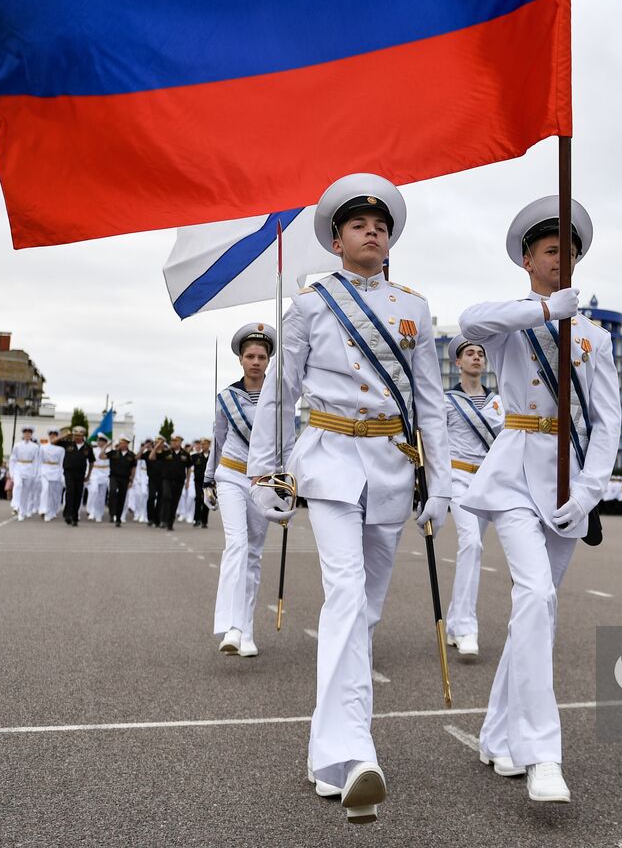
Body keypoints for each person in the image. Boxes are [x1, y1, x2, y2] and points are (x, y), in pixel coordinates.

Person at [248, 173, 451, 825]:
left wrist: (441, 482)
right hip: (331, 462)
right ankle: (357, 748)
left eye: (382, 224)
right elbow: (280, 392)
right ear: (336, 239)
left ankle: (324, 754)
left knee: (363, 611)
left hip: (392, 468)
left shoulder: (414, 310)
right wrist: (264, 473)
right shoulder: (310, 305)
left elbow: (432, 405)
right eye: (360, 224)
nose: (374, 231)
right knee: (343, 594)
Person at [458, 195, 620, 805]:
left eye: (570, 252)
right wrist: (543, 309)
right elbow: (471, 321)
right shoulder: (512, 322)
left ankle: (496, 732)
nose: (563, 260)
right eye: (552, 251)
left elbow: (607, 421)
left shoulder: (595, 339)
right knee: (536, 594)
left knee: (540, 612)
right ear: (528, 260)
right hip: (515, 470)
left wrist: (589, 490)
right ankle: (542, 752)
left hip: (567, 480)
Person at [207, 322, 276, 659]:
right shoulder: (227, 399)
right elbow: (217, 442)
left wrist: (286, 484)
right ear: (240, 359)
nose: (255, 361)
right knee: (236, 545)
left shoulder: (279, 398)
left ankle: (246, 630)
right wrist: (209, 479)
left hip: (261, 482)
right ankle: (231, 627)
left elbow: (283, 444)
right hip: (231, 475)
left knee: (253, 556)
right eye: (249, 355)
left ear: (269, 360)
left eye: (261, 356)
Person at [443, 339, 505, 659]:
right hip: (457, 478)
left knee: (471, 551)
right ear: (458, 362)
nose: (477, 358)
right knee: (472, 544)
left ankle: (454, 624)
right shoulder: (448, 402)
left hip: (486, 482)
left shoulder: (499, 404)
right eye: (470, 353)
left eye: (480, 354)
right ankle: (467, 627)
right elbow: (436, 446)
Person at [154, 435, 191, 531]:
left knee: (174, 502)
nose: (173, 443)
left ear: (180, 442)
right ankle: (163, 520)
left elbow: (189, 467)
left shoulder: (185, 454)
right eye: (172, 441)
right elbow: (153, 457)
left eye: (176, 441)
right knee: (167, 496)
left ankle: (170, 523)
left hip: (179, 481)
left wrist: (188, 481)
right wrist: (158, 445)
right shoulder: (166, 453)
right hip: (167, 480)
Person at [60, 426, 94, 526]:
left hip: (80, 473)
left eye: (79, 435)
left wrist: (88, 474)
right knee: (70, 492)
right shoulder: (68, 444)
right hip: (68, 472)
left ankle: (75, 517)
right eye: (76, 435)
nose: (77, 437)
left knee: (78, 495)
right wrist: (65, 435)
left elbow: (91, 461)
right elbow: (53, 442)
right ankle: (68, 514)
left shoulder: (88, 447)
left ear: (83, 436)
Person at [105, 436, 136, 528]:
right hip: (114, 476)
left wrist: (131, 480)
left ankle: (118, 518)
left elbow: (133, 468)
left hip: (125, 478)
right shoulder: (114, 453)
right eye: (121, 443)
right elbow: (101, 456)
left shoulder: (131, 455)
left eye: (125, 443)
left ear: (127, 444)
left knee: (122, 498)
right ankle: (112, 513)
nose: (123, 445)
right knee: (112, 492)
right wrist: (107, 446)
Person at [9, 426, 39, 520]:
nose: (27, 434)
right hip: (19, 467)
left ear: (31, 435)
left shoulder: (35, 447)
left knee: (25, 493)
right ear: (23, 434)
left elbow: (36, 461)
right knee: (17, 485)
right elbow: (12, 459)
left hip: (29, 469)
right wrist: (12, 473)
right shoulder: (17, 445)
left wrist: (35, 474)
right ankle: (15, 505)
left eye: (29, 433)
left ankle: (22, 512)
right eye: (25, 433)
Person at [36, 430, 65, 521]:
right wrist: (38, 473)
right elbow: (39, 461)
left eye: (55, 435)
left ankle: (51, 512)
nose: (53, 436)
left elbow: (61, 463)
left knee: (53, 493)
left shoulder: (61, 449)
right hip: (45, 470)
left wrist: (62, 475)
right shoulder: (43, 447)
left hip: (55, 471)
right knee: (45, 489)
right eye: (51, 435)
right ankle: (43, 510)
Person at [86, 435, 110, 522]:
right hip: (95, 472)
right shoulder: (93, 450)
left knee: (102, 495)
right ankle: (91, 511)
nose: (101, 442)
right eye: (99, 441)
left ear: (105, 442)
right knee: (94, 491)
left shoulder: (109, 451)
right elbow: (89, 462)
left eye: (103, 441)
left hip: (104, 473)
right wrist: (87, 475)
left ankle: (99, 514)